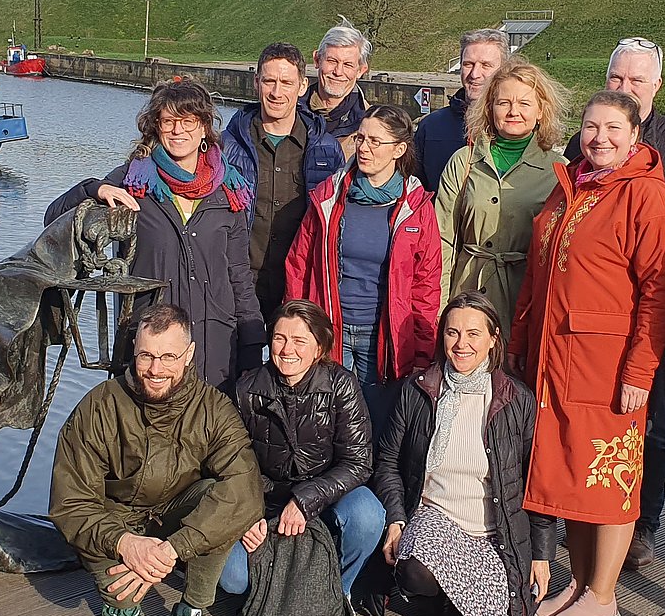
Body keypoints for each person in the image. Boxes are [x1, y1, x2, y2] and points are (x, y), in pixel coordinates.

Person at [512, 90, 665, 616]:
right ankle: (581, 581)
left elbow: (659, 293)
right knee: (570, 470)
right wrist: (521, 340)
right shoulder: (572, 186)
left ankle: (605, 594)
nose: (600, 138)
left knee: (610, 475)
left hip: (607, 362)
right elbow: (540, 275)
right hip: (557, 352)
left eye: (613, 128)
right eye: (591, 127)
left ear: (636, 135)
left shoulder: (647, 199)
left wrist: (639, 372)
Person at [561, 38, 665, 566]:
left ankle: (644, 523)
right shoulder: (582, 145)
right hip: (587, 320)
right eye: (617, 79)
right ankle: (585, 513)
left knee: (651, 420)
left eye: (636, 81)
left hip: (649, 313)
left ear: (656, 86)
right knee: (589, 418)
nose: (625, 88)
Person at [48, 304, 264, 616]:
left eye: (168, 356)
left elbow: (245, 489)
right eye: (147, 355)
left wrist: (170, 549)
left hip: (176, 520)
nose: (156, 368)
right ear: (134, 350)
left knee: (224, 497)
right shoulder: (99, 406)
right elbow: (70, 502)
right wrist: (124, 543)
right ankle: (121, 591)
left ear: (189, 354)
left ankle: (191, 612)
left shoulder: (214, 407)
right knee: (122, 599)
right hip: (117, 522)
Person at [48, 79, 265, 392]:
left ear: (204, 127)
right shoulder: (134, 180)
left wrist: (252, 341)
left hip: (213, 343)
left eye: (188, 121)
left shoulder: (228, 191)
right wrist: (93, 189)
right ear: (156, 127)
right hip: (150, 345)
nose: (178, 131)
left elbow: (239, 276)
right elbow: (54, 218)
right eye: (168, 121)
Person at [375, 292, 553, 616]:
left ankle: (450, 608)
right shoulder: (419, 390)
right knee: (413, 572)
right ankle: (428, 598)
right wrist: (395, 520)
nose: (462, 344)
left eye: (474, 334)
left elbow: (536, 481)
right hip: (434, 517)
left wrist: (541, 553)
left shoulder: (515, 399)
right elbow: (389, 461)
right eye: (452, 333)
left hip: (492, 531)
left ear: (493, 339)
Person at [284, 104, 441, 424]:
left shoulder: (416, 207)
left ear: (399, 149)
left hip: (381, 337)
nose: (364, 148)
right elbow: (299, 262)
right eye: (360, 138)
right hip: (329, 329)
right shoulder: (329, 197)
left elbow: (426, 285)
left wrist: (423, 350)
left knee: (376, 421)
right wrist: (297, 323)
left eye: (375, 142)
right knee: (326, 420)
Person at [223, 301, 384, 598]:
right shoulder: (246, 389)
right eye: (280, 338)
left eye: (299, 341)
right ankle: (279, 594)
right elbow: (232, 463)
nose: (287, 350)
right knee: (233, 580)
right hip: (265, 498)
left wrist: (305, 499)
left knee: (368, 514)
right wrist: (248, 514)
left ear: (319, 347)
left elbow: (359, 462)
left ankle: (338, 592)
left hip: (327, 494)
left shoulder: (341, 385)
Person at [437, 58, 565, 328]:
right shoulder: (464, 161)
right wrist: (439, 307)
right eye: (504, 103)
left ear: (541, 110)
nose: (513, 111)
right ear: (490, 108)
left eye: (524, 104)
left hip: (524, 303)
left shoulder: (558, 170)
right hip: (467, 293)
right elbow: (442, 240)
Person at [220, 42, 346, 314]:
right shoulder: (227, 146)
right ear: (256, 83)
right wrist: (103, 187)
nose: (277, 92)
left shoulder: (326, 149)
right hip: (237, 281)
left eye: (286, 82)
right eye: (269, 81)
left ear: (302, 87)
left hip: (297, 283)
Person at [414, 28, 508, 190]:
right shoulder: (431, 126)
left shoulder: (515, 125)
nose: (475, 74)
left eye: (486, 65)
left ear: (504, 70)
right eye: (468, 64)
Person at [307, 23, 372, 149]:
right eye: (332, 61)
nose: (338, 72)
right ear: (317, 60)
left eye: (348, 64)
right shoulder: (290, 113)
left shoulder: (372, 124)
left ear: (361, 71)